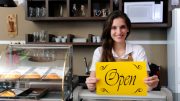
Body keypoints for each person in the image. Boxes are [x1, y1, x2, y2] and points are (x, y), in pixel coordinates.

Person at [85, 10, 159, 92]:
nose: (119, 32)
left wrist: (152, 85)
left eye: (122, 27)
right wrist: (90, 85)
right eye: (114, 28)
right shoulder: (99, 52)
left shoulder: (138, 50)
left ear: (128, 29)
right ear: (109, 30)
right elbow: (92, 85)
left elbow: (145, 86)